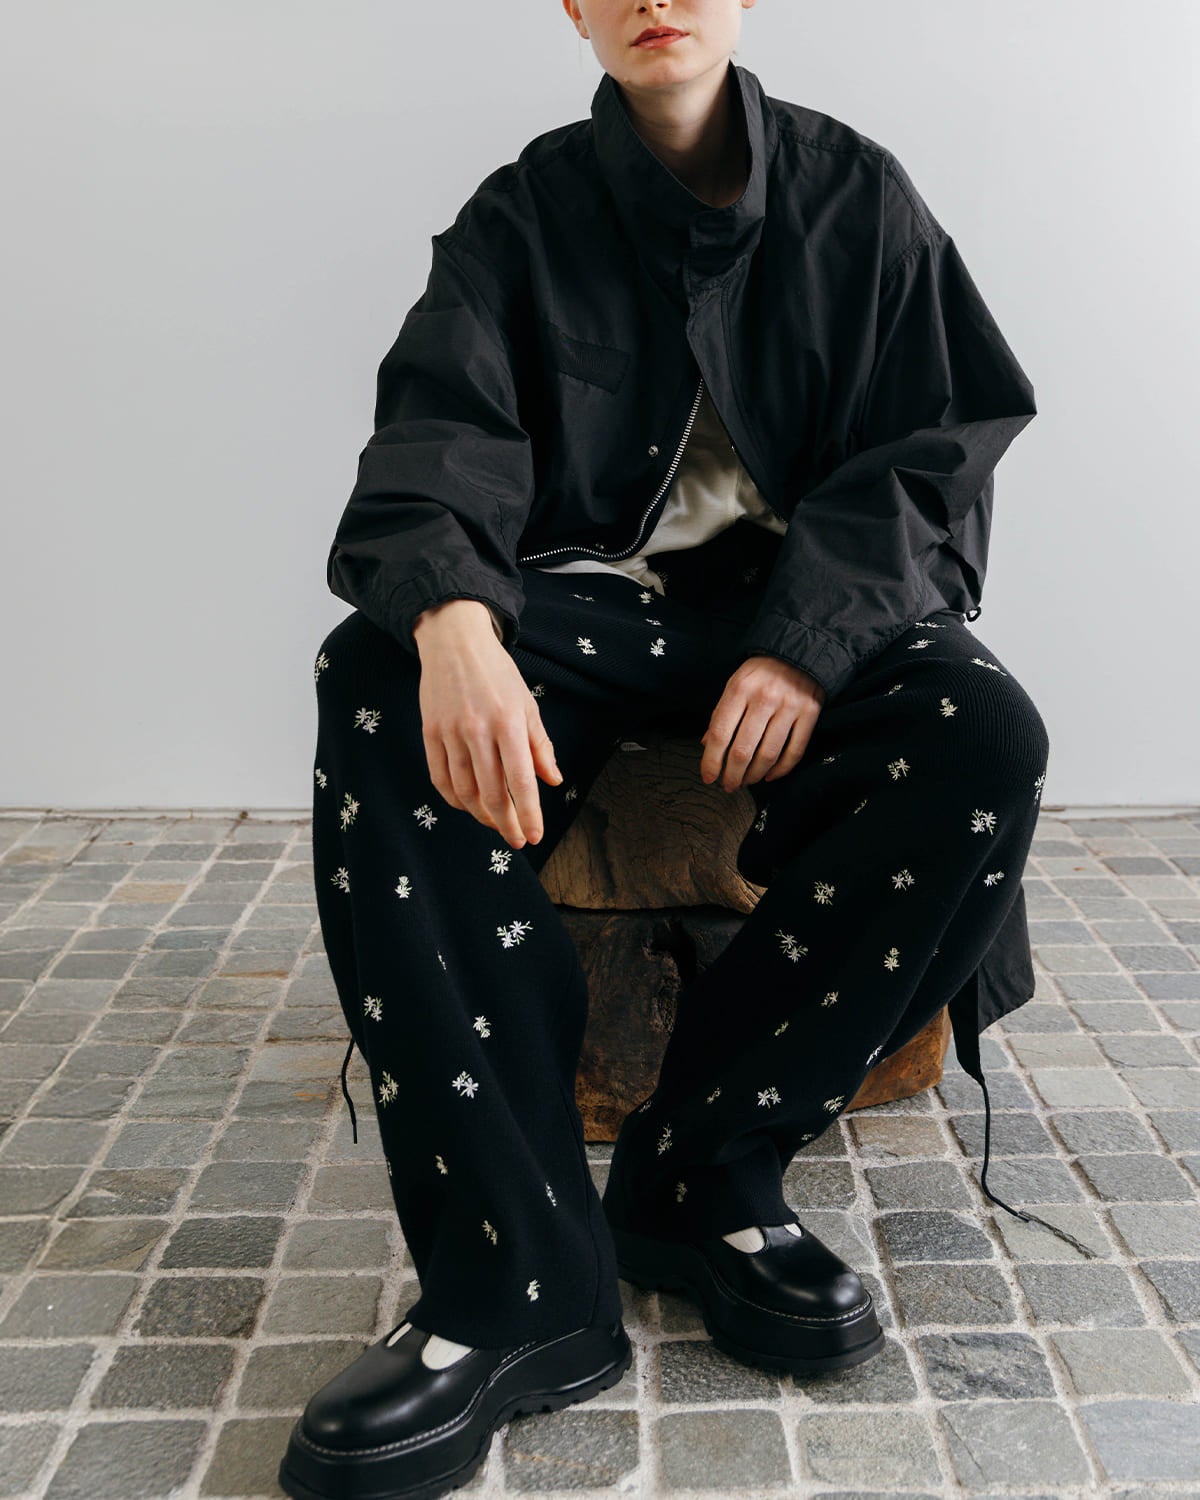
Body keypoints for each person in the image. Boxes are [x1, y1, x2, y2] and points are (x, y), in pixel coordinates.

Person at [279, 5, 1068, 1497]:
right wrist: (451, 620)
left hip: (796, 606)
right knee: (372, 680)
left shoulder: (858, 196)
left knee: (982, 732)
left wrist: (807, 638)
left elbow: (942, 447)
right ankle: (514, 1284)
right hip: (573, 604)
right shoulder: (523, 213)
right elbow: (438, 438)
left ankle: (705, 1167)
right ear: (571, 8)